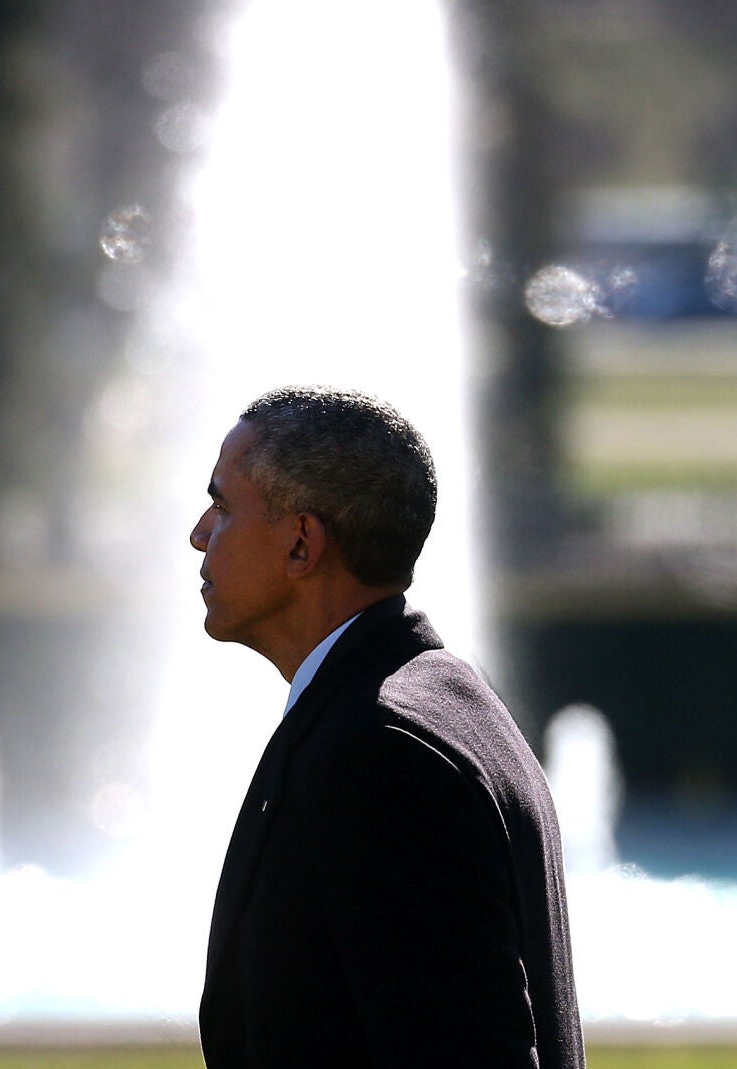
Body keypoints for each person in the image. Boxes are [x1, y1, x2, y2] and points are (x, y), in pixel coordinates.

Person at [189, 386, 585, 1068]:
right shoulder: (436, 705)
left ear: (302, 542)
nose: (200, 531)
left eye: (222, 505)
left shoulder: (382, 752)